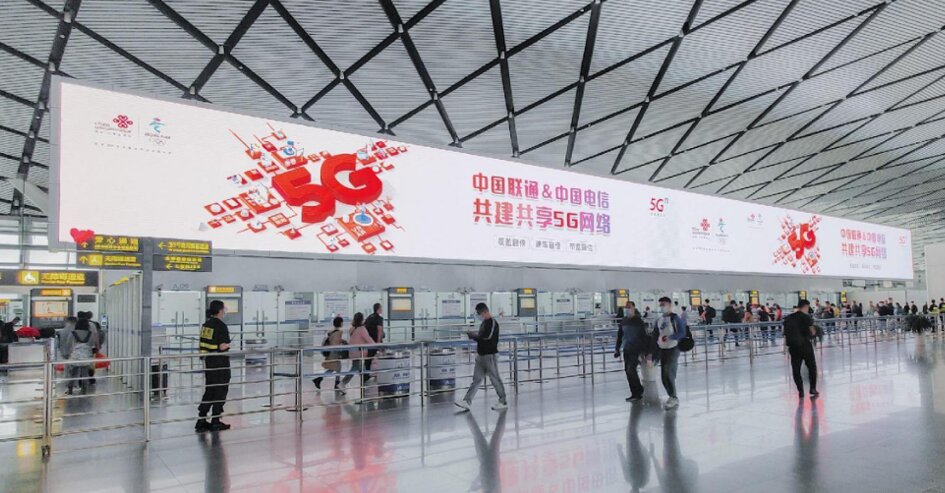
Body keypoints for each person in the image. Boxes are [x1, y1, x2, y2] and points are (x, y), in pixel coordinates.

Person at [456, 303, 508, 412]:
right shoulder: (483, 323)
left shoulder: (492, 323)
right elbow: (481, 337)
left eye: (479, 313)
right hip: (481, 356)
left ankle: (503, 401)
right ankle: (467, 401)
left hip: (490, 355)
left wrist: (475, 336)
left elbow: (487, 337)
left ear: (485, 312)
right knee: (477, 379)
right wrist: (474, 336)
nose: (479, 316)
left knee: (495, 378)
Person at [196, 300, 232, 432]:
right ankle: (215, 420)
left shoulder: (206, 325)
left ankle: (201, 419)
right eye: (224, 309)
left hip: (209, 363)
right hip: (220, 364)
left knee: (210, 390)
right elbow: (222, 346)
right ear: (220, 310)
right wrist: (226, 345)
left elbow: (204, 345)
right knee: (220, 391)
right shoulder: (221, 326)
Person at [654, 296, 686, 410]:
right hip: (662, 349)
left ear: (670, 305)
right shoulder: (659, 320)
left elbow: (682, 332)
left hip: (673, 348)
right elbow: (655, 335)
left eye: (664, 304)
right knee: (664, 375)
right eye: (660, 305)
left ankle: (673, 397)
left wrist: (670, 337)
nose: (662, 307)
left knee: (668, 372)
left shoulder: (675, 318)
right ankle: (671, 396)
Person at [783, 300, 819, 399]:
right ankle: (812, 388)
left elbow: (785, 334)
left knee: (796, 369)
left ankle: (800, 391)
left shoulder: (788, 318)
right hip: (805, 346)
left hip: (793, 347)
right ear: (806, 306)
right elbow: (812, 332)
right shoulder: (806, 317)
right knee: (812, 367)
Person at [614, 302, 647, 402]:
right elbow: (620, 335)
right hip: (627, 349)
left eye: (629, 307)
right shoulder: (624, 321)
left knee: (630, 370)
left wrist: (643, 351)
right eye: (626, 307)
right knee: (628, 371)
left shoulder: (638, 321)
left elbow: (644, 336)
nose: (627, 309)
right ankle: (635, 392)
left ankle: (638, 391)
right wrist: (617, 348)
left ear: (634, 308)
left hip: (636, 349)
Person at [60, 318, 98, 395]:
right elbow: (92, 345)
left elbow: (68, 345)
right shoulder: (90, 334)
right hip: (86, 356)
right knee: (85, 374)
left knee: (73, 373)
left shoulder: (73, 333)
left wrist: (68, 354)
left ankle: (70, 389)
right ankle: (84, 390)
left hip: (75, 356)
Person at [313, 316, 345, 391]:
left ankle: (320, 379)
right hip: (334, 353)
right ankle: (335, 383)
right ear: (340, 323)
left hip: (330, 352)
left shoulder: (331, 331)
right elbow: (335, 343)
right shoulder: (339, 332)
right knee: (336, 368)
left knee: (335, 368)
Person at [342, 312, 373, 388]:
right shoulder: (362, 329)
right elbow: (368, 339)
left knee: (361, 368)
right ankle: (342, 383)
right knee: (355, 368)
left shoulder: (352, 329)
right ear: (361, 320)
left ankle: (365, 379)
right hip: (359, 352)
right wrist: (377, 345)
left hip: (352, 351)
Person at [363, 303, 384, 377]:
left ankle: (366, 374)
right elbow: (379, 330)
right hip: (375, 341)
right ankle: (379, 374)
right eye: (381, 308)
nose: (382, 309)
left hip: (369, 341)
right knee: (381, 357)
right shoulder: (379, 318)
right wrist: (378, 342)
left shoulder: (369, 317)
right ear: (378, 309)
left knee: (368, 358)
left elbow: (364, 326)